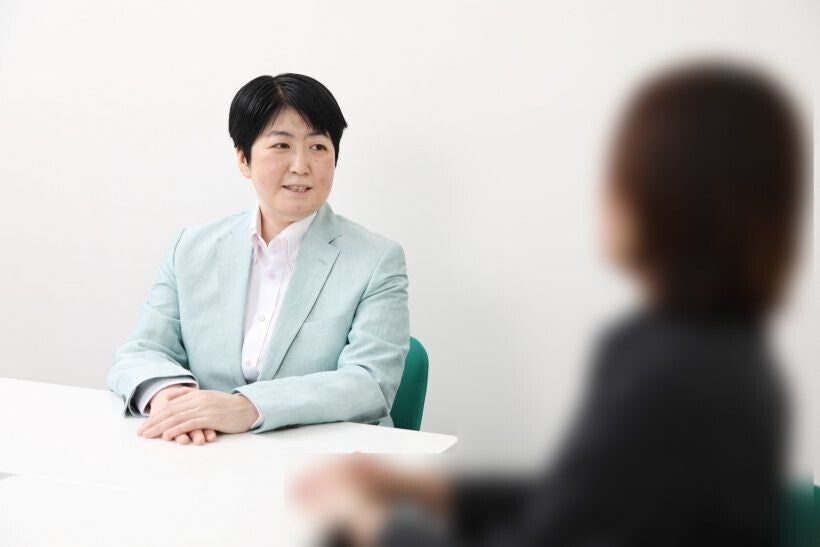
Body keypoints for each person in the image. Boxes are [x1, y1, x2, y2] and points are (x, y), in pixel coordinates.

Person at [294, 61, 805, 546]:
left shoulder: (667, 368)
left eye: (625, 170)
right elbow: (586, 499)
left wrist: (374, 528)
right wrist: (429, 490)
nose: (605, 193)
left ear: (669, 200)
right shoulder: (722, 353)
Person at [107, 74, 410, 445]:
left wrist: (247, 408)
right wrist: (171, 397)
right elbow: (142, 351)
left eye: (318, 147)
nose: (301, 165)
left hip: (326, 456)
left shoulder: (376, 260)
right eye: (281, 145)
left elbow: (370, 383)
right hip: (205, 451)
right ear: (243, 159)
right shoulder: (191, 248)